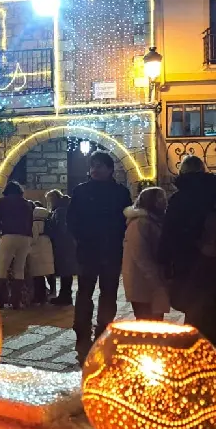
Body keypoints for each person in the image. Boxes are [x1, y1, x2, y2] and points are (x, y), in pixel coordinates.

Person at [159, 155, 216, 356]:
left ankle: (193, 348)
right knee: (212, 302)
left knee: (192, 304)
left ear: (182, 172)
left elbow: (170, 232)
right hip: (213, 258)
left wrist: (164, 260)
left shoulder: (180, 198)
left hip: (188, 259)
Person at [69, 151, 132, 359]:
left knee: (108, 293)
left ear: (110, 169)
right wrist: (80, 238)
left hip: (111, 251)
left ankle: (103, 331)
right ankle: (82, 333)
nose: (95, 169)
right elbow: (72, 220)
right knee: (85, 292)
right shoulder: (80, 191)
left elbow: (126, 221)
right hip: (88, 250)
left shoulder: (120, 192)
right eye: (93, 165)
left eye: (100, 166)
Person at [123, 187, 169, 321]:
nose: (164, 201)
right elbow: (140, 254)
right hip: (142, 281)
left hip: (152, 280)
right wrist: (155, 278)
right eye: (160, 198)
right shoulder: (140, 222)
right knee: (146, 322)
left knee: (155, 320)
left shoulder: (154, 221)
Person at [0, 181, 34, 309]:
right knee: (19, 269)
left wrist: (3, 228)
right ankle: (16, 301)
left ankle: (0, 301)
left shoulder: (3, 202)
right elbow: (31, 222)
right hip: (25, 237)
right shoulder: (27, 203)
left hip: (9, 235)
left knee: (2, 268)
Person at [46, 189, 77, 306]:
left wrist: (50, 231)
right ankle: (65, 295)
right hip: (69, 243)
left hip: (63, 244)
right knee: (67, 271)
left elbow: (59, 228)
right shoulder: (66, 208)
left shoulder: (60, 211)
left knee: (65, 271)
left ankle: (65, 296)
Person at [28, 201, 55, 305]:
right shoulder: (46, 219)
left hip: (37, 249)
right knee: (48, 272)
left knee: (38, 275)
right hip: (47, 246)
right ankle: (52, 293)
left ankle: (40, 296)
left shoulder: (34, 222)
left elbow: (33, 239)